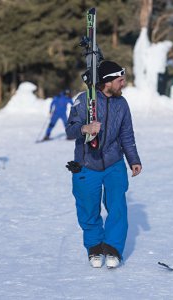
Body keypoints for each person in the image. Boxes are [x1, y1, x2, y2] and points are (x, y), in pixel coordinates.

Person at [65, 60, 142, 268]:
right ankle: (95, 247)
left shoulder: (122, 103)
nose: (123, 83)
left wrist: (133, 159)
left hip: (114, 163)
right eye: (120, 80)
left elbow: (127, 134)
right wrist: (85, 128)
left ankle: (113, 247)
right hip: (87, 163)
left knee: (117, 207)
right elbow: (70, 129)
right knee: (88, 209)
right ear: (107, 82)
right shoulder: (83, 100)